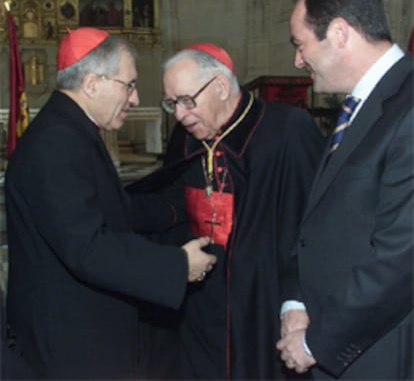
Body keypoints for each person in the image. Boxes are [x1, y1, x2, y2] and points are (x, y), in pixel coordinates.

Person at [5, 27, 216, 380]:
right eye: (129, 84)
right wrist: (177, 266)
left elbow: (106, 209)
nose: (134, 99)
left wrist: (175, 209)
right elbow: (87, 247)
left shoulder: (70, 130)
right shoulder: (56, 144)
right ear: (91, 84)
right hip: (70, 342)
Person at [129, 42, 324, 380]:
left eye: (187, 101)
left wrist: (298, 301)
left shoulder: (287, 130)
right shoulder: (187, 134)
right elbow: (174, 201)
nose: (179, 114)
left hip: (260, 300)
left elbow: (312, 226)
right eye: (171, 104)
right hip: (201, 303)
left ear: (220, 86)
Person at [276, 0, 413, 380]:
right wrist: (295, 303)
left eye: (300, 45)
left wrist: (319, 342)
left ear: (339, 32)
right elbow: (318, 222)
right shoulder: (361, 103)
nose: (297, 61)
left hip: (379, 354)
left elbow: (401, 259)